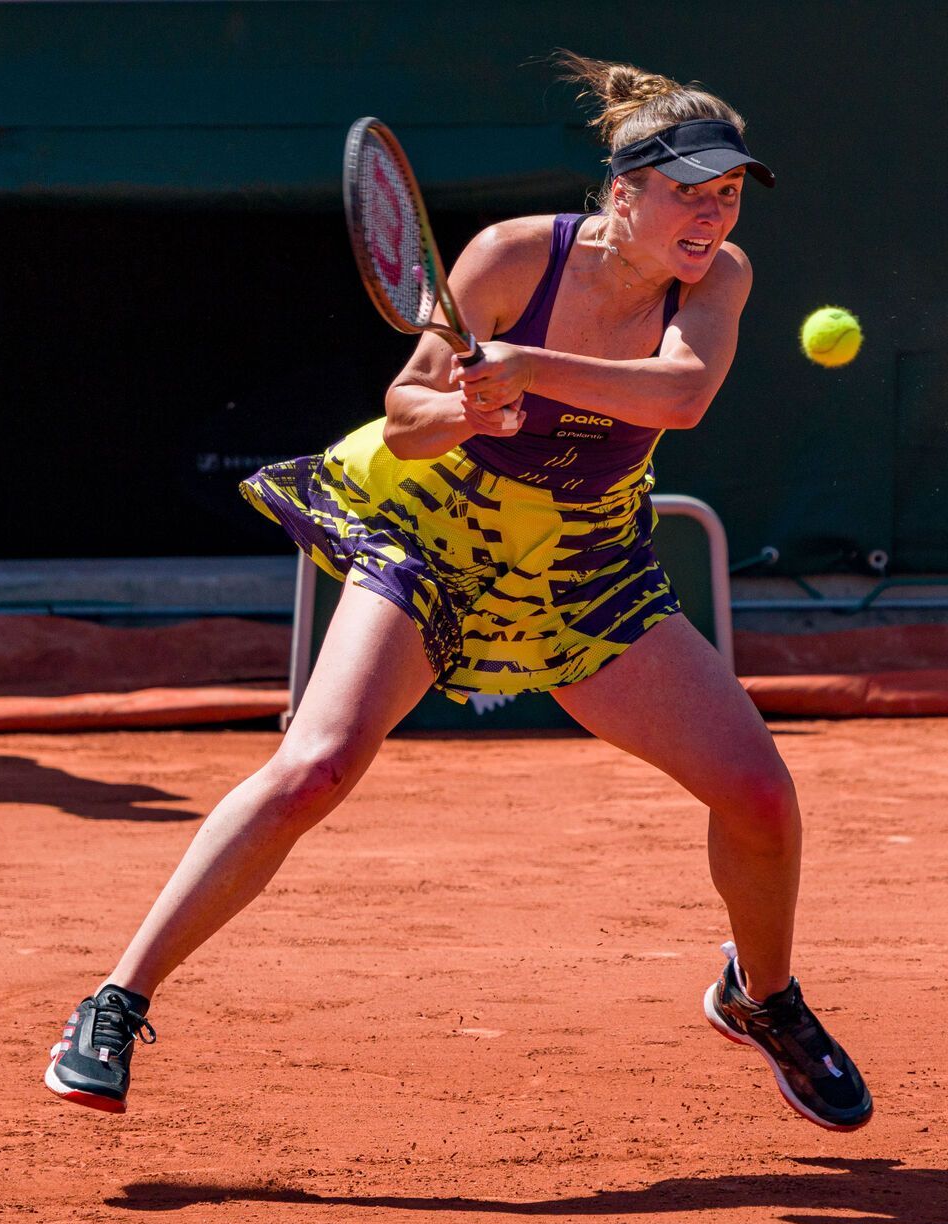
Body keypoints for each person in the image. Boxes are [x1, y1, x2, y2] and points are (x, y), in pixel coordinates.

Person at [44, 56, 871, 1132]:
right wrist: (468, 414)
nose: (710, 213)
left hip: (588, 565)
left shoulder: (718, 278)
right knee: (316, 764)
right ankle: (113, 1001)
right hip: (437, 536)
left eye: (725, 194)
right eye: (688, 191)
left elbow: (681, 395)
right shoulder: (512, 256)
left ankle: (760, 998)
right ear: (623, 194)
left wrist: (525, 367)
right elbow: (404, 415)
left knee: (759, 797)